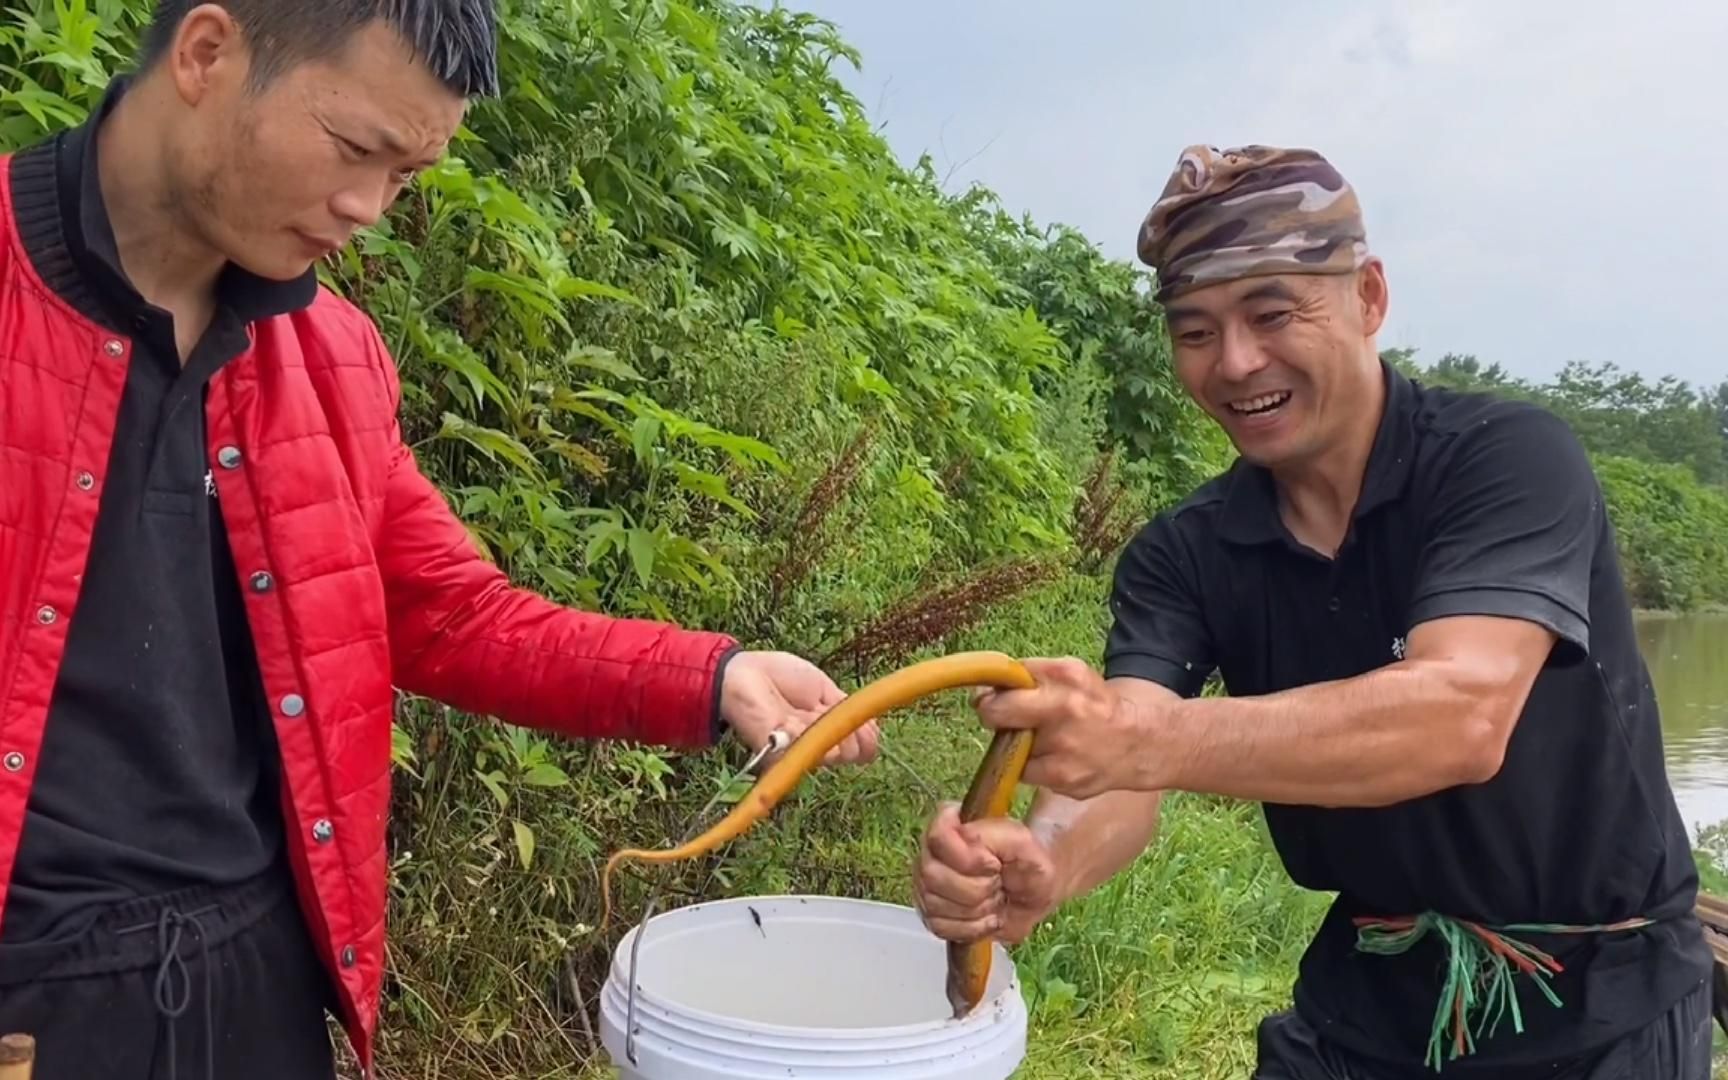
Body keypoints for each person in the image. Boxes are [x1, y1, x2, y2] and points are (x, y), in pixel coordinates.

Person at [0, 2, 880, 1077]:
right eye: (355, 148)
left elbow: (454, 614)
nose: (366, 207)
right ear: (205, 53)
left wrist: (715, 675)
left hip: (257, 986)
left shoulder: (328, 358)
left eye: (406, 175)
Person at [911, 144, 1716, 1078]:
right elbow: (1118, 775)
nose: (1236, 362)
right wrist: (1042, 860)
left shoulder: (1506, 461)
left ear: (1369, 298)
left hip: (1599, 1008)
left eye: (1273, 312)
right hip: (1366, 997)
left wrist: (1151, 737)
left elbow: (1460, 715)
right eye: (1196, 331)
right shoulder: (1185, 552)